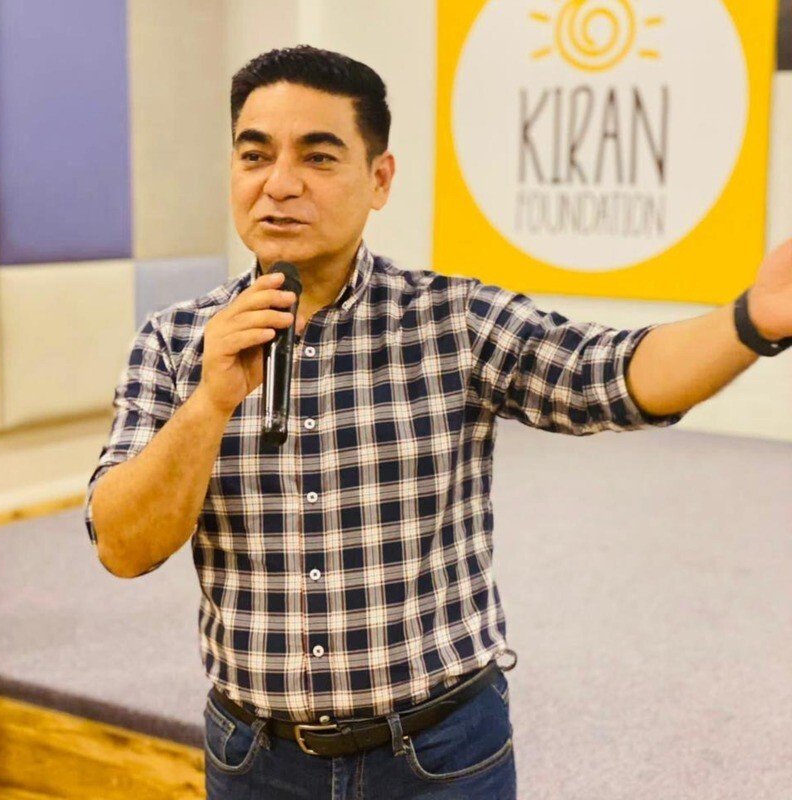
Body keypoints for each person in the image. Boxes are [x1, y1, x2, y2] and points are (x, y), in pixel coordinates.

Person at [83, 44, 792, 800]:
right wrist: (210, 403)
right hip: (256, 761)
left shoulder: (450, 319)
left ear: (379, 179)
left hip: (438, 756)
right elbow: (123, 546)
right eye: (255, 155)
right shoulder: (175, 341)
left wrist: (751, 321)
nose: (279, 184)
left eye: (318, 157)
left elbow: (609, 373)